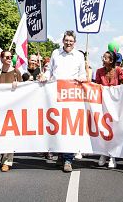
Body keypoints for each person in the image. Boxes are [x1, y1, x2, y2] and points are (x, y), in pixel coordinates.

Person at [41, 30, 87, 172]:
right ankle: (61, 155)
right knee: (58, 126)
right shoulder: (56, 53)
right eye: (66, 40)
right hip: (55, 95)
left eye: (71, 41)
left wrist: (82, 78)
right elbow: (50, 71)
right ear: (63, 41)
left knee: (69, 127)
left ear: (74, 42)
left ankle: (68, 159)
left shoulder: (79, 56)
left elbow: (83, 74)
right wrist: (45, 76)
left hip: (71, 95)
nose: (68, 43)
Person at [94, 50, 123, 169]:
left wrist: (116, 90)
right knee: (103, 129)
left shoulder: (118, 71)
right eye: (103, 57)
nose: (103, 59)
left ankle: (112, 156)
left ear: (111, 61)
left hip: (116, 105)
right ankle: (103, 153)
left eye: (105, 58)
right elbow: (96, 86)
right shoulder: (99, 71)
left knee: (114, 130)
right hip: (102, 104)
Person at [0, 50, 20, 171]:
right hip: (0, 108)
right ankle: (1, 154)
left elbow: (24, 90)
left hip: (12, 108)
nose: (10, 58)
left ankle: (7, 161)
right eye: (7, 57)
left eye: (11, 56)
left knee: (9, 134)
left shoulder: (16, 72)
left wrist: (17, 85)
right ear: (2, 59)